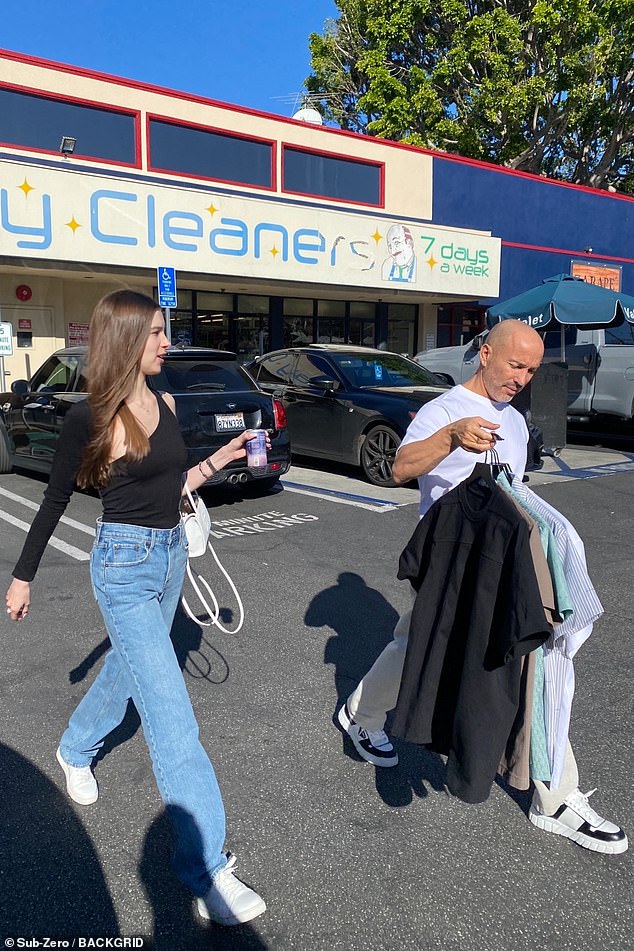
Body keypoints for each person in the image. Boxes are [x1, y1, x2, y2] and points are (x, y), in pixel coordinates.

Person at [5, 290, 268, 925]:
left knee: (127, 672)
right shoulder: (88, 417)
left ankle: (73, 747)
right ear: (125, 339)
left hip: (172, 556)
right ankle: (205, 871)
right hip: (121, 567)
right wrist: (23, 577)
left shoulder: (166, 403)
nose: (165, 342)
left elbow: (171, 484)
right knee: (172, 713)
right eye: (155, 333)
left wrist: (220, 460)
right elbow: (54, 500)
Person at [336, 319, 628, 854]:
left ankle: (554, 794)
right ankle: (361, 713)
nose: (522, 378)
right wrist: (449, 438)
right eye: (516, 365)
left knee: (532, 659)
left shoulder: (515, 422)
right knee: (418, 646)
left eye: (532, 370)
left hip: (493, 567)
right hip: (446, 562)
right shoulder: (442, 410)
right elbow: (399, 468)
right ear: (485, 355)